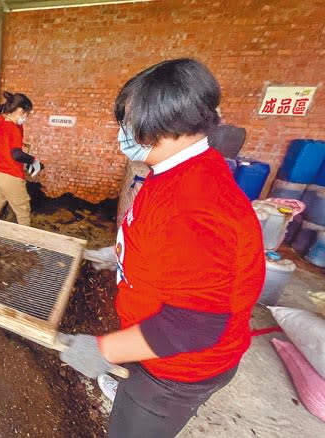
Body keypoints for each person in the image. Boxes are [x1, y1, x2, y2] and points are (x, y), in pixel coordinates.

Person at [59, 59, 265, 437]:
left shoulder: (193, 205)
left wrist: (102, 349)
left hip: (176, 372)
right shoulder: (178, 169)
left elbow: (192, 327)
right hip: (157, 346)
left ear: (158, 119)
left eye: (127, 120)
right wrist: (121, 257)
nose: (123, 131)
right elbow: (170, 250)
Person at [0, 92, 42, 226]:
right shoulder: (13, 129)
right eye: (27, 113)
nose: (26, 117)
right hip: (12, 177)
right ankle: (25, 243)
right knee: (23, 211)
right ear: (20, 110)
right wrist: (33, 160)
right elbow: (16, 154)